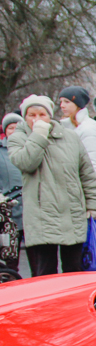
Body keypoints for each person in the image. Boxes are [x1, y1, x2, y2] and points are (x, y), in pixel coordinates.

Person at [7, 94, 96, 276]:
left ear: (50, 115)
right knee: (45, 273)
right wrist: (38, 136)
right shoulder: (18, 138)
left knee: (74, 271)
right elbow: (27, 162)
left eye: (42, 115)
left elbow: (86, 173)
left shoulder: (70, 137)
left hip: (72, 214)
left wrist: (93, 204)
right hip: (41, 216)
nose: (37, 120)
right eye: (31, 115)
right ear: (24, 117)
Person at [57, 86, 96, 186]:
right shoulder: (69, 126)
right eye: (61, 102)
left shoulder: (88, 128)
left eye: (67, 102)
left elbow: (92, 165)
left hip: (85, 189)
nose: (62, 106)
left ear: (78, 104)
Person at [0, 113, 24, 270]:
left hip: (31, 208)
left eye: (18, 127)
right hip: (9, 211)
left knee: (38, 258)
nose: (14, 131)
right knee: (11, 256)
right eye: (11, 128)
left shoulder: (31, 149)